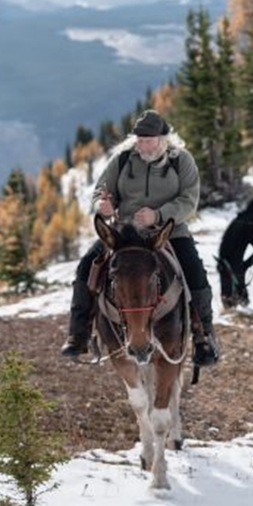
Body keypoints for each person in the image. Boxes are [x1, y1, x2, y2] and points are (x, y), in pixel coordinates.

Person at [60, 109, 220, 367]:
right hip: (126, 234)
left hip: (170, 230)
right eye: (139, 139)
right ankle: (78, 333)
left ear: (163, 139)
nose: (143, 144)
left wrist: (158, 215)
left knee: (195, 272)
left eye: (149, 139)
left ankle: (204, 338)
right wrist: (104, 205)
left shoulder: (182, 160)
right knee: (86, 267)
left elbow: (190, 200)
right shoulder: (123, 159)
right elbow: (102, 189)